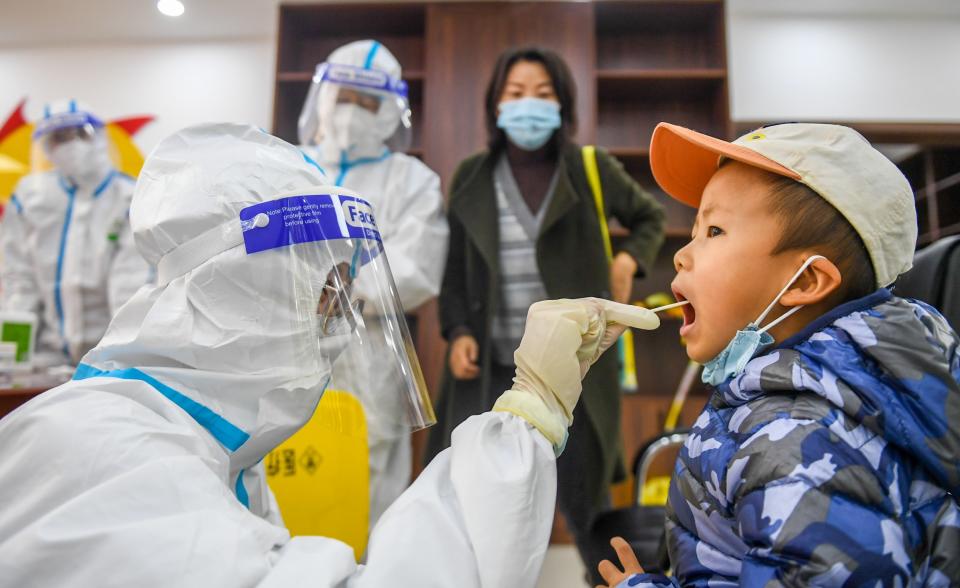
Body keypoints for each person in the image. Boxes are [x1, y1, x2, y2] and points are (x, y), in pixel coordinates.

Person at [0, 122, 664, 586]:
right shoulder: (110, 462)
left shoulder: (200, 444)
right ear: (247, 285)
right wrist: (529, 414)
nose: (336, 326)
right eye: (327, 294)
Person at [598, 122, 960, 587]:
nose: (682, 256)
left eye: (713, 230)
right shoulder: (786, 399)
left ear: (805, 282)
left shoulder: (798, 434)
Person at [426, 46, 666, 582]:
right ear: (495, 105)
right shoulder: (471, 175)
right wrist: (458, 330)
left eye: (542, 94)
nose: (527, 106)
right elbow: (456, 271)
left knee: (588, 507)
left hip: (573, 371)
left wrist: (629, 258)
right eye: (515, 94)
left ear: (562, 105)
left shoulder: (590, 168)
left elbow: (649, 217)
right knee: (471, 505)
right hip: (491, 372)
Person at [298, 40, 449, 528]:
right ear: (323, 98)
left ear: (389, 113)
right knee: (282, 476)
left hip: (371, 363)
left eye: (367, 104)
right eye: (344, 98)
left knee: (369, 497)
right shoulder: (287, 166)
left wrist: (339, 283)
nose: (351, 114)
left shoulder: (411, 180)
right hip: (284, 349)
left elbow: (417, 269)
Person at [0, 99, 150, 366]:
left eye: (79, 134)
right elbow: (18, 279)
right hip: (46, 356)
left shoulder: (130, 196)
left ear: (100, 138)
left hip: (108, 356)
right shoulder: (31, 197)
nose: (70, 145)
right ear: (46, 147)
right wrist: (14, 358)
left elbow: (130, 285)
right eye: (58, 138)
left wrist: (127, 357)